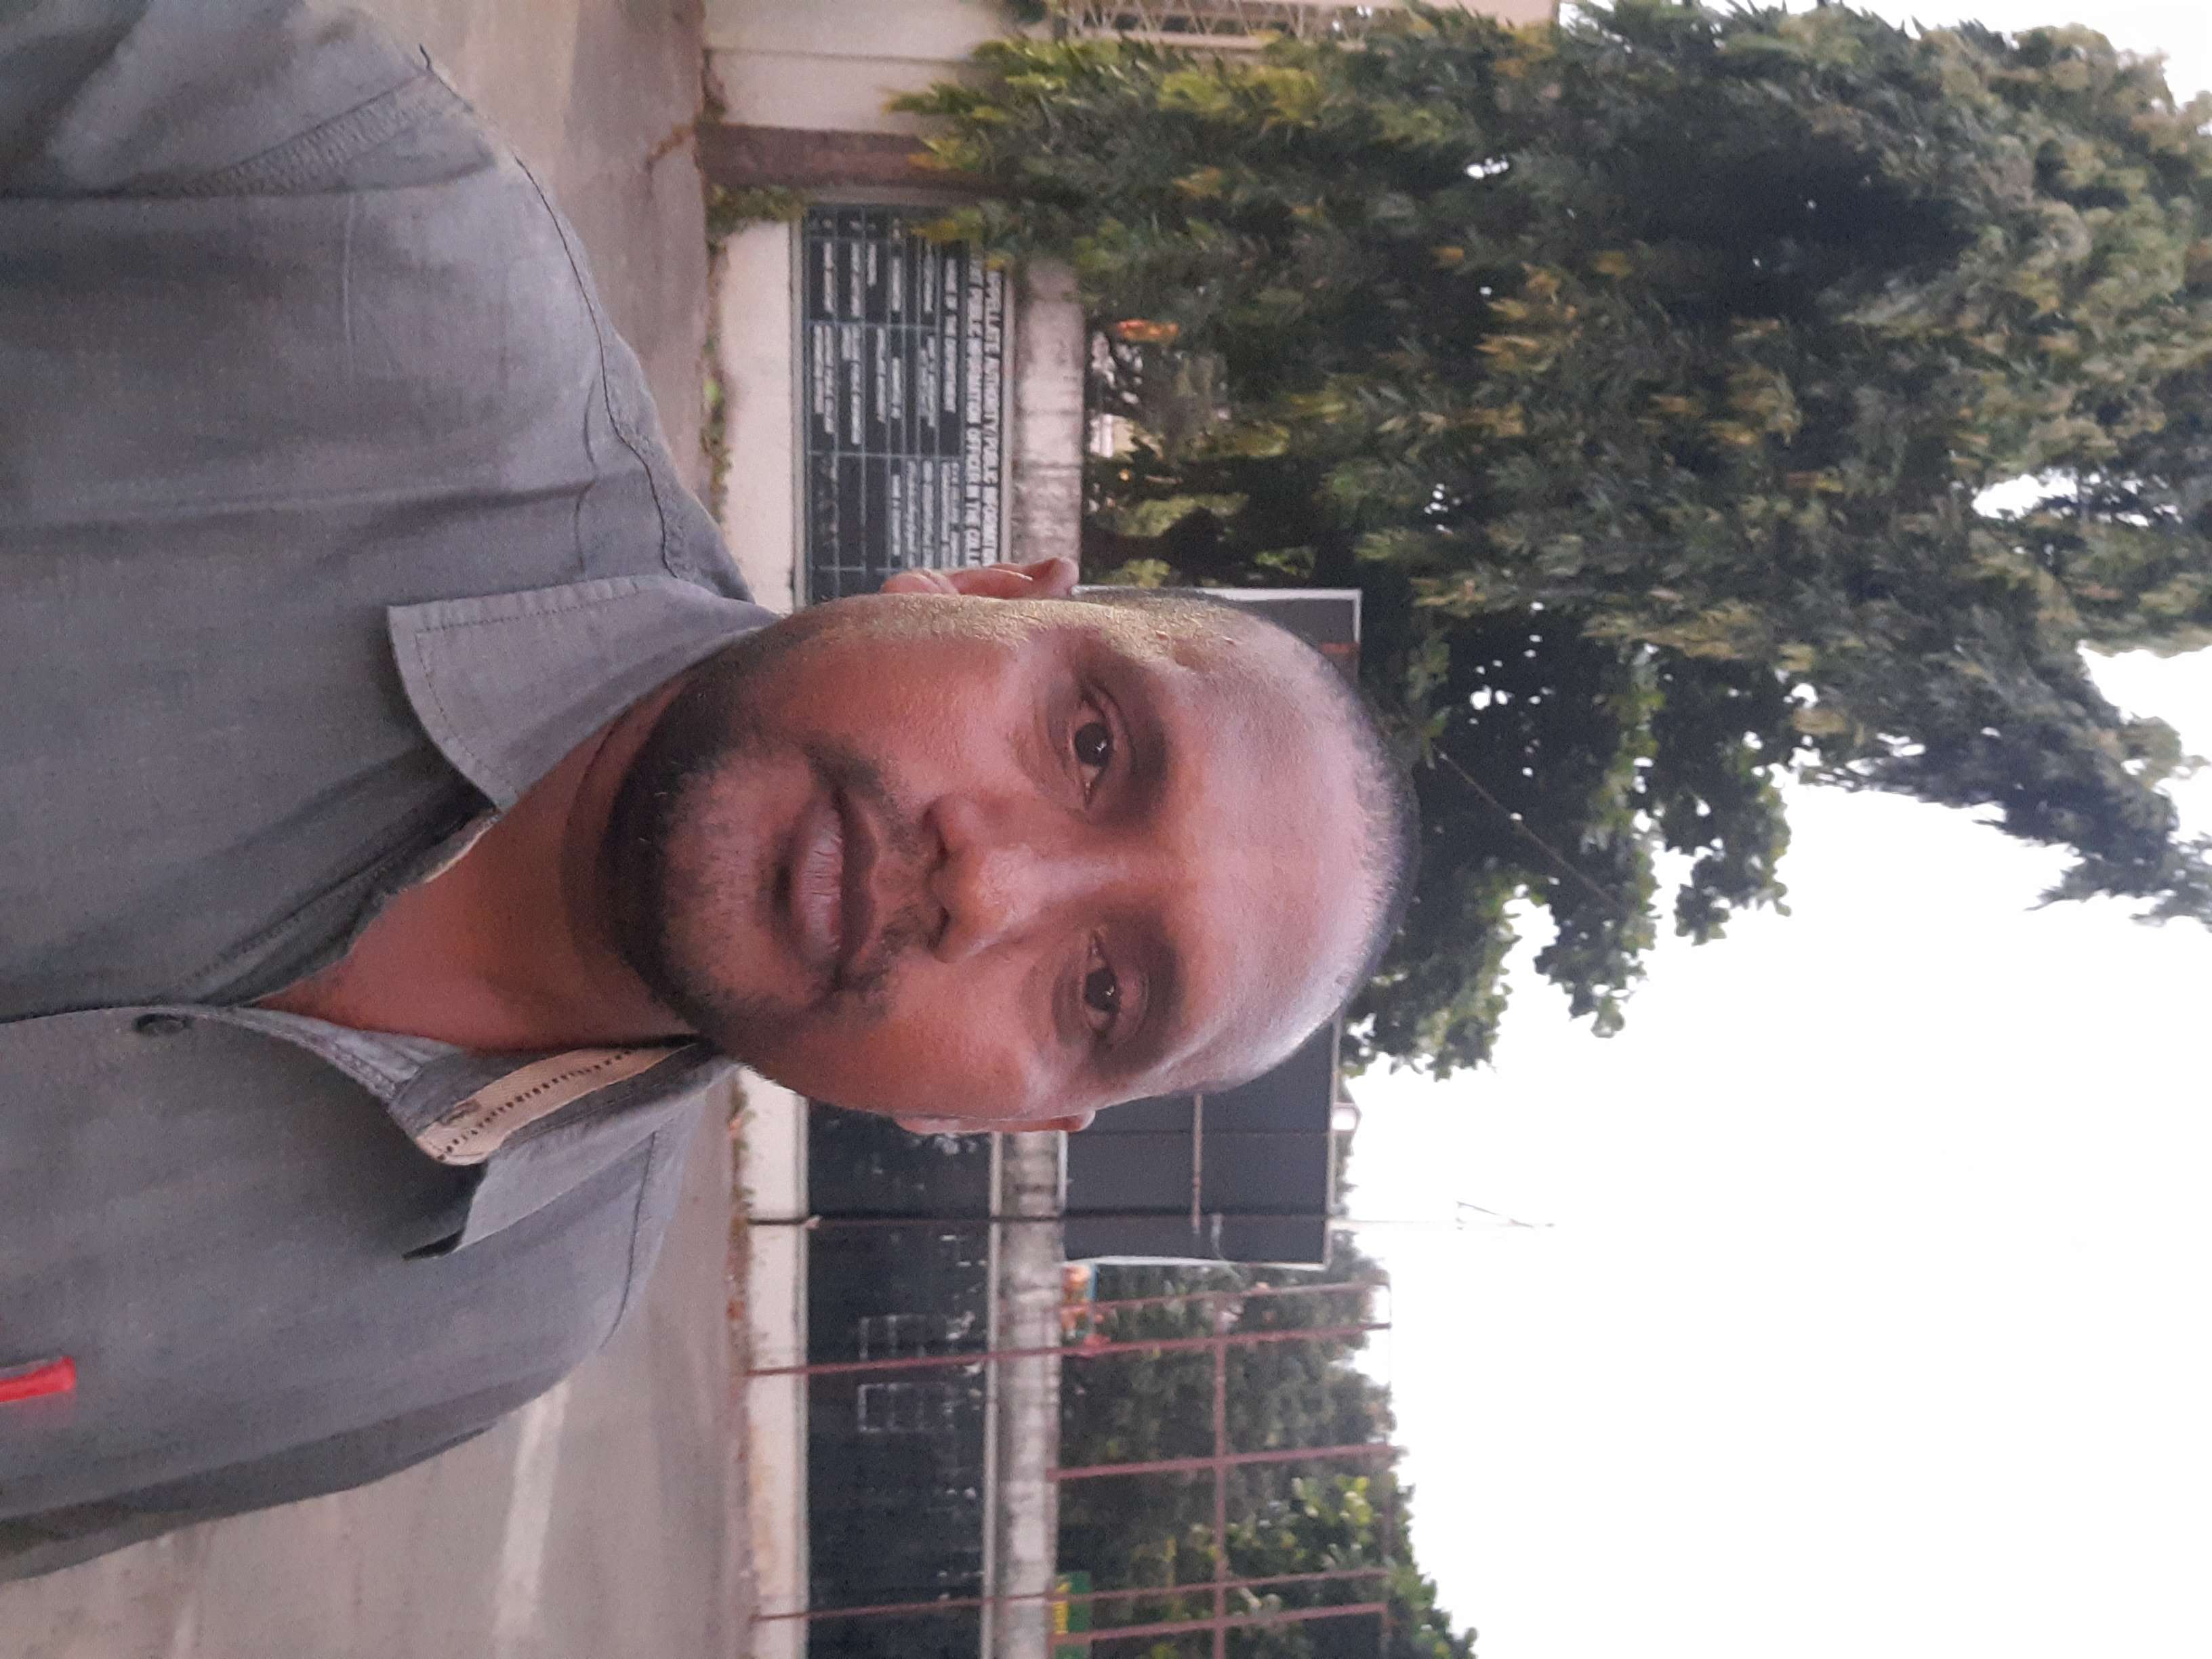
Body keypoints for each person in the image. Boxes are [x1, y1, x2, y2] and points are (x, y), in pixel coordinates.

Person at [0, 0, 1416, 1577]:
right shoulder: (331, 214)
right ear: (977, 589)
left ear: (1003, 1114)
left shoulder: (486, 1326)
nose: (993, 883)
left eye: (1101, 991)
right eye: (1092, 746)